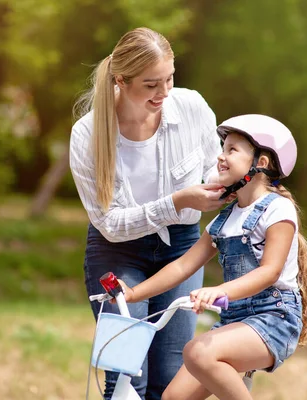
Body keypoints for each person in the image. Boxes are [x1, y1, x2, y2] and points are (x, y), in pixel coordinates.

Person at [119, 114, 307, 400]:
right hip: (235, 321)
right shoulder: (223, 221)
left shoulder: (277, 209)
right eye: (222, 148)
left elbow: (269, 272)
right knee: (173, 397)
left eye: (232, 149)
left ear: (261, 163)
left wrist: (218, 291)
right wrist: (132, 293)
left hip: (274, 317)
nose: (221, 156)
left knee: (197, 352)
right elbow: (182, 266)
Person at [69, 27, 225, 399]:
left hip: (183, 249)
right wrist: (178, 201)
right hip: (116, 252)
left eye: (170, 78)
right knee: (126, 373)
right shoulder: (87, 135)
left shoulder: (192, 108)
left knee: (170, 378)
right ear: (120, 81)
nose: (165, 93)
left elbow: (214, 171)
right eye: (151, 84)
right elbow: (109, 224)